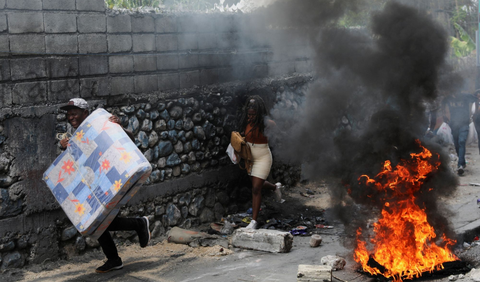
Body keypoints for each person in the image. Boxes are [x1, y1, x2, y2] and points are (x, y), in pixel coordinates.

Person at [59, 98, 150, 273]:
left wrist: (119, 127)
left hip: (110, 180)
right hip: (93, 183)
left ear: (85, 113)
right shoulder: (75, 134)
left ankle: (136, 227)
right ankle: (115, 257)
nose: (71, 117)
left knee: (101, 222)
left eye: (74, 113)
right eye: (69, 114)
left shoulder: (100, 124)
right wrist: (65, 147)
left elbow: (128, 139)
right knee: (98, 221)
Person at [238, 95, 283, 229]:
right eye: (249, 114)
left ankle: (254, 221)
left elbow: (277, 133)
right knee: (259, 184)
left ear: (259, 112)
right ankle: (275, 187)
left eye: (253, 114)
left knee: (256, 188)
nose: (250, 117)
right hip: (251, 158)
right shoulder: (246, 122)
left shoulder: (267, 123)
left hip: (263, 157)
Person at [442, 92, 477, 175]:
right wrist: (444, 115)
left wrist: (475, 113)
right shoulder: (448, 97)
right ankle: (462, 161)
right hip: (454, 125)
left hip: (464, 124)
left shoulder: (465, 96)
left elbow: (476, 99)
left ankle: (460, 165)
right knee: (457, 144)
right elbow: (442, 104)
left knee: (462, 141)